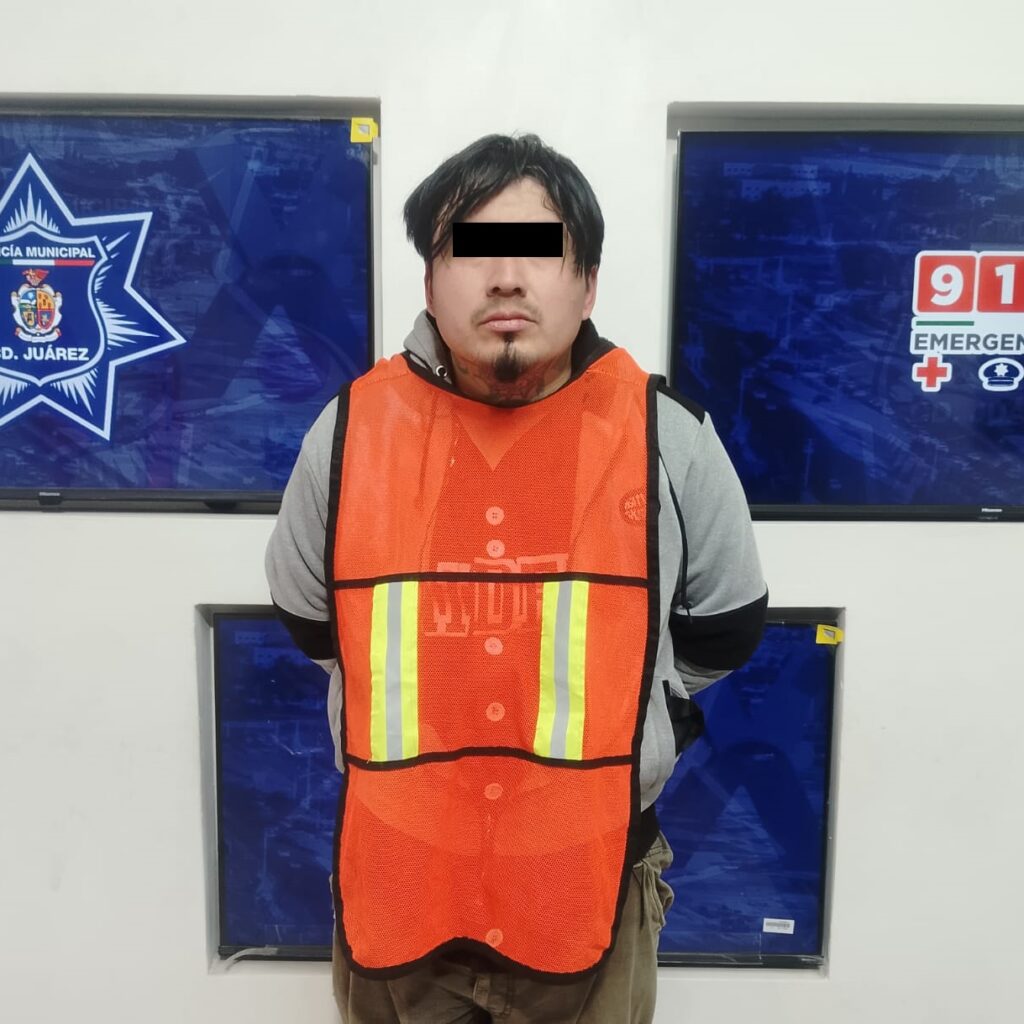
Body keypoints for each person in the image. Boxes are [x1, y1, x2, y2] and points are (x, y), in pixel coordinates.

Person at [265, 132, 768, 1024]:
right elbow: (311, 622)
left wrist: (634, 718)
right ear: (430, 283)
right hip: (399, 879)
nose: (505, 278)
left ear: (589, 284)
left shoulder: (669, 437)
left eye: (539, 249)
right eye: (472, 250)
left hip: (593, 878)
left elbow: (725, 626)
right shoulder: (347, 433)